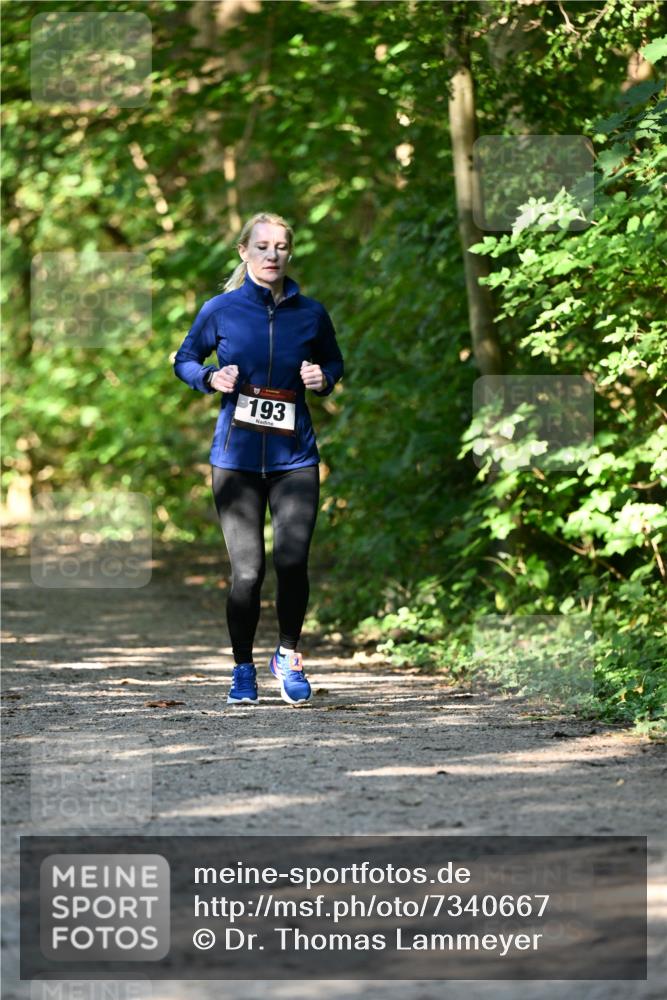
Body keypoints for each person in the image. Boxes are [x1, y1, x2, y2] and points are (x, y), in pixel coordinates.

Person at [173, 212, 344, 707]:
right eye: (263, 246)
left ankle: (287, 654)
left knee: (293, 561)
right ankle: (242, 669)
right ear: (244, 252)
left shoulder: (310, 314)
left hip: (294, 458)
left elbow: (333, 361)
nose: (273, 255)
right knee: (247, 573)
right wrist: (208, 378)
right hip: (236, 460)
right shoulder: (220, 310)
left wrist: (323, 379)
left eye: (282, 247)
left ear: (290, 254)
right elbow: (184, 358)